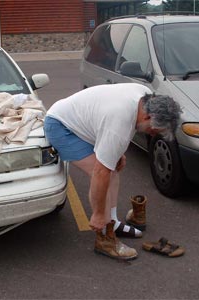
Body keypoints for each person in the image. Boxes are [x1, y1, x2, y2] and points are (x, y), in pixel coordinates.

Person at [44, 83, 181, 260]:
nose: (153, 135)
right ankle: (104, 238)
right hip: (61, 126)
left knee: (113, 168)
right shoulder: (119, 122)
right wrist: (99, 214)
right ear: (148, 116)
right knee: (99, 171)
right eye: (154, 130)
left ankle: (113, 222)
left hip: (83, 119)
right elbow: (100, 173)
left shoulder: (146, 97)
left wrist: (117, 152)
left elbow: (124, 128)